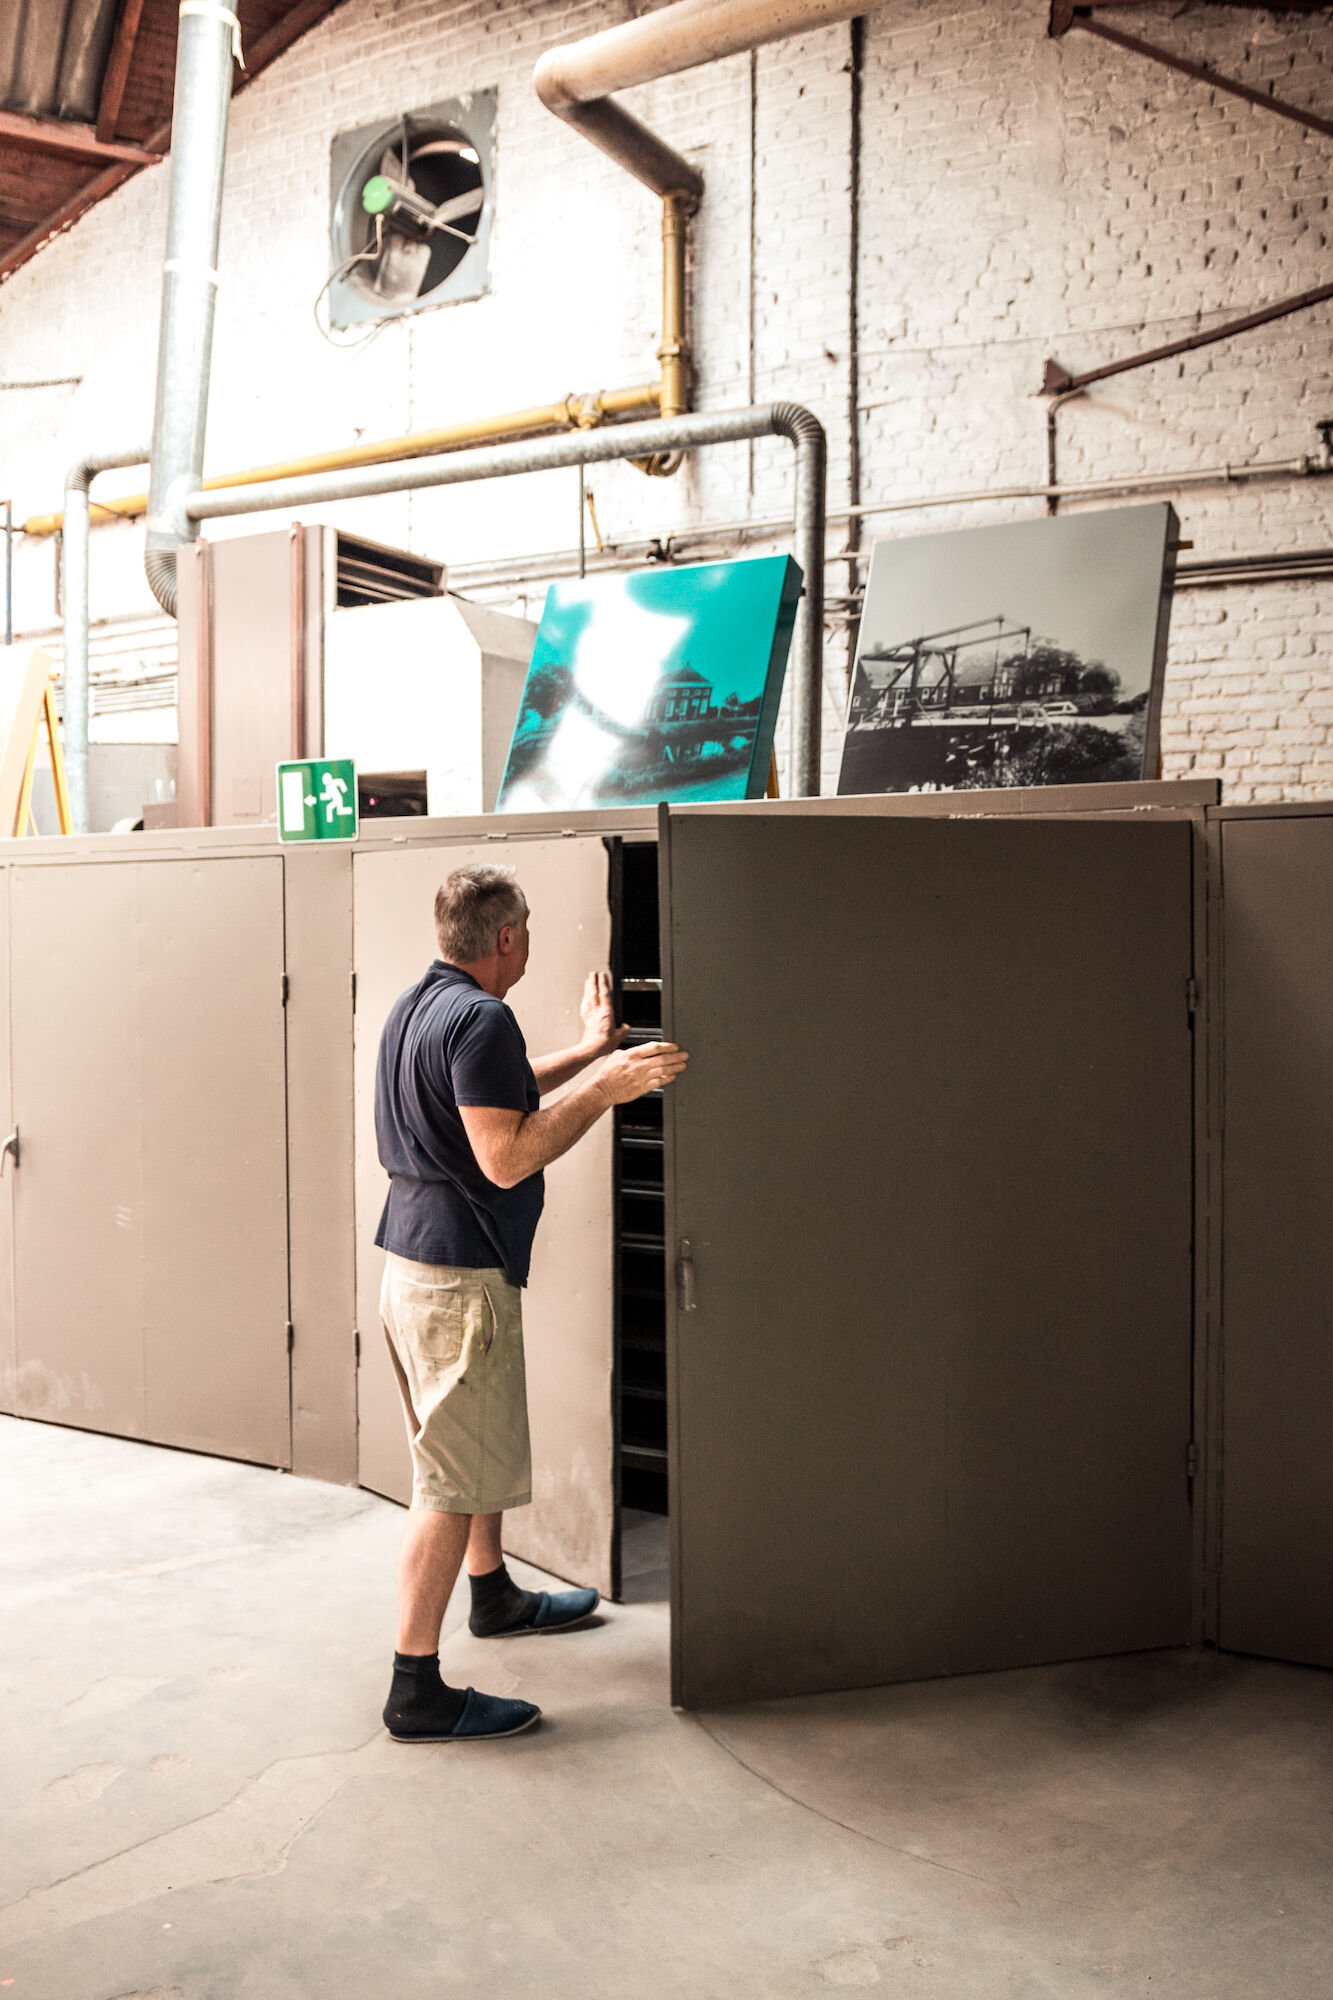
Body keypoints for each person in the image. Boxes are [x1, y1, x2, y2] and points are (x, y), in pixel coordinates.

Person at [375, 862, 688, 1743]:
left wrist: (589, 1053)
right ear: (506, 938)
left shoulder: (422, 1005)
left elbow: (487, 1096)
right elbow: (505, 1155)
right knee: (448, 1481)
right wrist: (607, 1088)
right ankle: (415, 1691)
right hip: (455, 1281)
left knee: (465, 1458)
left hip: (412, 1264)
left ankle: (495, 1595)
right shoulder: (481, 1019)